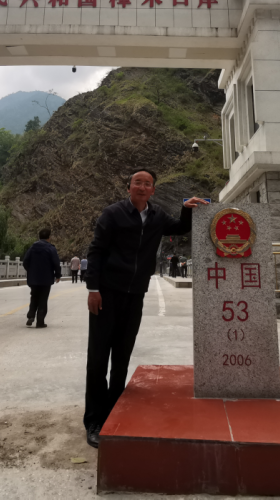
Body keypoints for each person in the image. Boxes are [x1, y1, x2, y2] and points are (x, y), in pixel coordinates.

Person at [83, 169, 208, 447]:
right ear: (129, 187)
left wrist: (186, 209)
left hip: (135, 294)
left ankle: (115, 408)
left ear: (153, 189)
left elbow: (180, 227)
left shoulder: (157, 216)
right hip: (107, 293)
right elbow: (96, 250)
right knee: (98, 357)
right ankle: (94, 419)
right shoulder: (112, 214)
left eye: (147, 183)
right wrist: (93, 289)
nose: (141, 187)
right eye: (137, 182)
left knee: (122, 355)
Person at [23, 228, 61, 328]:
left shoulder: (32, 247)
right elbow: (56, 263)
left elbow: (25, 261)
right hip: (46, 279)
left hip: (33, 279)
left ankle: (31, 316)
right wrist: (57, 275)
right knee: (43, 299)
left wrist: (31, 271)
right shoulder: (51, 248)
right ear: (49, 237)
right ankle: (40, 321)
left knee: (34, 296)